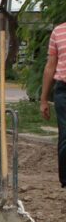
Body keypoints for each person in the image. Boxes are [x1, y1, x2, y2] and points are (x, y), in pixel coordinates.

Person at [40, 21, 66, 188]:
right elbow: (50, 66)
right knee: (65, 134)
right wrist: (43, 100)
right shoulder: (58, 31)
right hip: (63, 90)